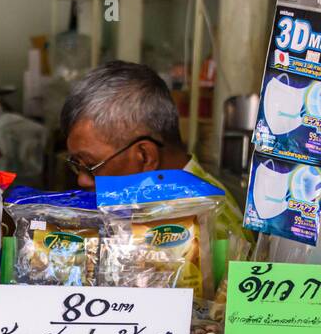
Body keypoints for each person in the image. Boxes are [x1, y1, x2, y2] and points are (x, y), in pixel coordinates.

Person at [60, 60, 252, 253]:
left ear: (145, 156)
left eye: (91, 167)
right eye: (77, 164)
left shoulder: (202, 223)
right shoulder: (154, 205)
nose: (82, 180)